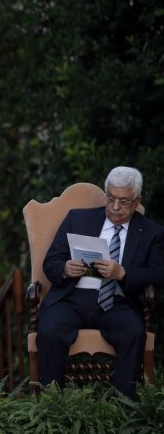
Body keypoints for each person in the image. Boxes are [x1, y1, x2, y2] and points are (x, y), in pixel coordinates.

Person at [37, 166, 164, 397]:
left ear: (137, 202)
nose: (115, 207)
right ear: (106, 195)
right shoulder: (77, 218)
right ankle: (51, 406)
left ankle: (124, 411)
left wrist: (123, 273)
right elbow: (51, 262)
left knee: (134, 331)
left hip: (116, 301)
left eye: (124, 202)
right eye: (111, 198)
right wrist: (65, 269)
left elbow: (158, 274)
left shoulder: (151, 232)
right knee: (50, 329)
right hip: (71, 299)